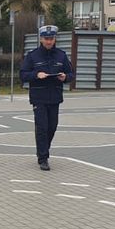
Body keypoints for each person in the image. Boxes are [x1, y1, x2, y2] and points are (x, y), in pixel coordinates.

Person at [19, 25, 73, 171]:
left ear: (55, 39)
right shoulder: (33, 55)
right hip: (39, 97)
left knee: (52, 127)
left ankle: (42, 150)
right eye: (46, 39)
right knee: (42, 127)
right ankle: (43, 158)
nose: (49, 41)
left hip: (55, 97)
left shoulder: (61, 55)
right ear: (41, 39)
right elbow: (23, 74)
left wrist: (65, 77)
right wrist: (36, 75)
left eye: (51, 38)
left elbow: (71, 74)